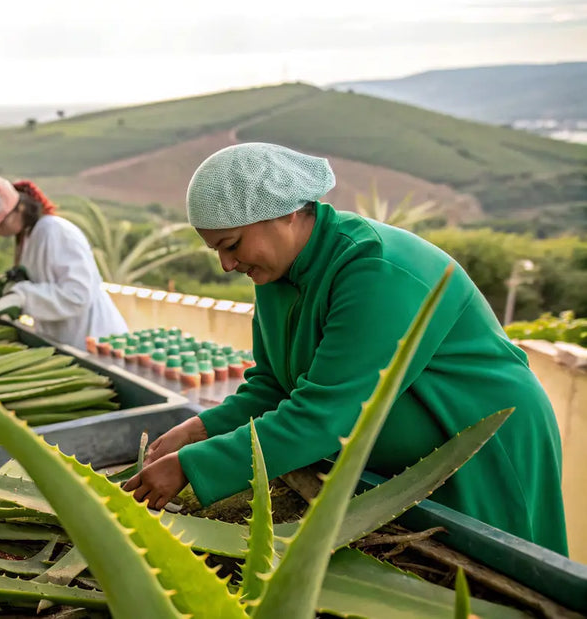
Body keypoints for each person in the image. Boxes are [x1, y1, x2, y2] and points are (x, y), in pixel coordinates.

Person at [125, 142, 567, 554]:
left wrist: (192, 467)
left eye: (232, 244)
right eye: (216, 250)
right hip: (403, 468)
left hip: (479, 438)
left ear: (287, 213)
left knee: (494, 582)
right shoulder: (276, 275)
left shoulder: (374, 271)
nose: (226, 264)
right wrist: (200, 430)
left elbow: (326, 415)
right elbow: (274, 387)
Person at [0, 176, 128, 349]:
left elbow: (77, 295)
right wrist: (2, 287)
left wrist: (23, 296)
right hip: (65, 340)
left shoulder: (55, 231)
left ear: (19, 208)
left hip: (95, 341)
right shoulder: (29, 236)